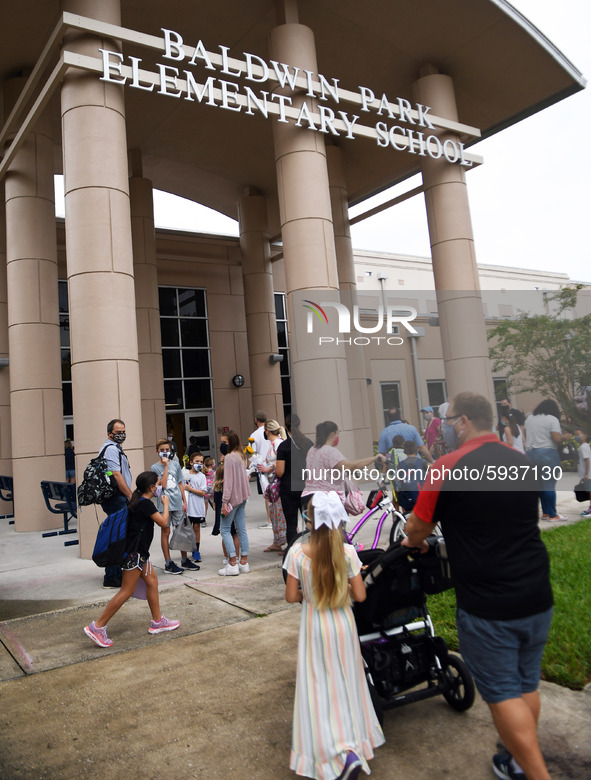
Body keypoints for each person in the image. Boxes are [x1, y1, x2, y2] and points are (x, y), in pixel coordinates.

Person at [402, 392, 554, 780]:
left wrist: (414, 539)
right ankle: (516, 758)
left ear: (464, 421)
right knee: (525, 683)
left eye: (448, 420)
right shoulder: (522, 462)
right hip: (536, 591)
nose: (446, 427)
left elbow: (416, 529)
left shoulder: (446, 467)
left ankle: (535, 773)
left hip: (489, 602)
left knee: (503, 691)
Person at [283, 491, 385, 780]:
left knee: (317, 688)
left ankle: (331, 752)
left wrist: (307, 592)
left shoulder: (297, 554)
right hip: (343, 625)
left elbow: (291, 596)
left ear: (309, 518)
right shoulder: (348, 552)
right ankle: (351, 747)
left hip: (315, 626)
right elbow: (361, 596)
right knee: (346, 683)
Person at [84, 471, 180, 647]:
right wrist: (165, 504)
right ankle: (97, 626)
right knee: (126, 591)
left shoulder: (137, 502)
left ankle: (158, 621)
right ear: (151, 488)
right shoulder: (146, 504)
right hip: (134, 555)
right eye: (158, 484)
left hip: (138, 554)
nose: (160, 487)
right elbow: (164, 522)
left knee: (152, 581)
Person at [302, 421, 385, 504]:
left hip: (309, 496)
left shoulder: (312, 450)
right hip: (328, 499)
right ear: (332, 434)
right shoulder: (330, 451)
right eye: (337, 434)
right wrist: (375, 458)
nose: (338, 437)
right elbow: (350, 466)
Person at [151, 438, 199, 574]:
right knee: (165, 531)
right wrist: (165, 466)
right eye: (162, 450)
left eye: (167, 450)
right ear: (157, 451)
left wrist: (184, 501)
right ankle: (168, 562)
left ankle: (184, 559)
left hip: (177, 502)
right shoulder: (154, 468)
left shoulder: (175, 464)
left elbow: (180, 483)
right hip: (164, 503)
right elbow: (163, 485)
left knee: (180, 530)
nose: (165, 452)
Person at [100, 419, 133, 589]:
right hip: (117, 498)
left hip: (116, 497)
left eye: (123, 431)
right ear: (109, 433)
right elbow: (117, 475)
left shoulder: (114, 448)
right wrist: (129, 495)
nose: (121, 434)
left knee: (118, 535)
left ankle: (116, 573)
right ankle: (112, 576)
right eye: (118, 432)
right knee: (117, 537)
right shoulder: (111, 449)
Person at [276, 414, 314, 545]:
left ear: (286, 427)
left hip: (288, 489)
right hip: (306, 488)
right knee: (310, 521)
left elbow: (280, 472)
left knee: (291, 523)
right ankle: (313, 548)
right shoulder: (309, 444)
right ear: (300, 425)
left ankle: (292, 552)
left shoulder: (283, 446)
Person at [524, 400, 565, 522]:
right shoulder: (552, 419)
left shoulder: (529, 419)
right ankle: (553, 515)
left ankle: (545, 513)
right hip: (548, 453)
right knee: (549, 485)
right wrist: (565, 437)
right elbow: (556, 438)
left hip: (530, 454)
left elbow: (526, 435)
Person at [219, 430, 250, 576]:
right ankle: (243, 561)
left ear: (230, 442)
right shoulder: (241, 456)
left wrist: (224, 502)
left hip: (232, 499)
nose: (222, 445)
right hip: (243, 497)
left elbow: (228, 483)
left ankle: (232, 563)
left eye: (224, 442)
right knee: (241, 528)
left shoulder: (230, 458)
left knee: (225, 529)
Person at [257, 419, 287, 553]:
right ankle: (278, 541)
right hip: (273, 482)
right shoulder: (274, 443)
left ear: (267, 431)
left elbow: (280, 463)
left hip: (278, 482)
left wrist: (267, 469)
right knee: (275, 512)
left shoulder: (278, 443)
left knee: (280, 513)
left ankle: (285, 541)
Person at [250, 410, 272, 528]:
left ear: (256, 420)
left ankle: (270, 519)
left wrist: (252, 467)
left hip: (262, 466)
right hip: (274, 465)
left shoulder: (254, 435)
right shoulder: (273, 432)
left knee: (267, 493)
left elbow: (251, 453)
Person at [185, 451, 206, 566]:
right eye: (197, 461)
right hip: (188, 506)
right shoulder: (186, 474)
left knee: (196, 527)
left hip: (197, 507)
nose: (199, 464)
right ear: (191, 462)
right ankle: (189, 547)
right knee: (187, 529)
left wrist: (189, 488)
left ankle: (196, 550)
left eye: (201, 462)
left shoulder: (202, 476)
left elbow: (202, 493)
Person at [395, 440, 427, 513]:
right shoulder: (423, 462)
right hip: (421, 496)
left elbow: (399, 480)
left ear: (404, 452)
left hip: (406, 496)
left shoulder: (400, 464)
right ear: (417, 450)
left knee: (407, 515)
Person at [574, 428, 591, 517]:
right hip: (586, 474)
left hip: (588, 474)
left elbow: (587, 460)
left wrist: (587, 473)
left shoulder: (584, 446)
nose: (576, 436)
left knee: (590, 491)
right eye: (575, 434)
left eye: (578, 434)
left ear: (584, 436)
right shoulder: (583, 446)